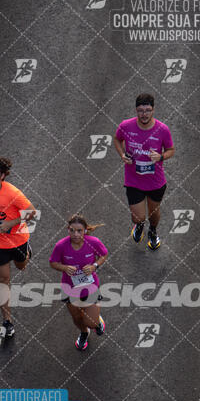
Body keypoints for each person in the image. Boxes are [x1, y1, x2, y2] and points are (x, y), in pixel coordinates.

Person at [0, 152, 36, 338]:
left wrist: (11, 223)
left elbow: (32, 212)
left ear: (3, 175)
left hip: (17, 240)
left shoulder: (13, 194)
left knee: (21, 266)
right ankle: (7, 321)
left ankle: (26, 255)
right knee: (3, 282)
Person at [113, 93, 175, 251]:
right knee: (138, 216)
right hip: (134, 181)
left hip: (155, 181)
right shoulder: (126, 126)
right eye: (141, 110)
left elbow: (171, 150)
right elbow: (117, 139)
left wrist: (160, 156)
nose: (144, 114)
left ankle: (153, 232)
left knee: (153, 212)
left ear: (153, 110)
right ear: (136, 110)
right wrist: (122, 154)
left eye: (148, 110)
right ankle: (139, 225)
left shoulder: (162, 129)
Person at [49, 214, 108, 351]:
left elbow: (104, 254)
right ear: (68, 230)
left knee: (91, 322)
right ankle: (83, 333)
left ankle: (96, 323)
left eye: (79, 231)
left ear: (85, 230)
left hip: (90, 287)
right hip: (70, 288)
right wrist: (64, 267)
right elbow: (53, 263)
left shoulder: (93, 242)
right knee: (77, 317)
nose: (75, 234)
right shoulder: (61, 246)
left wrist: (94, 266)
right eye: (72, 230)